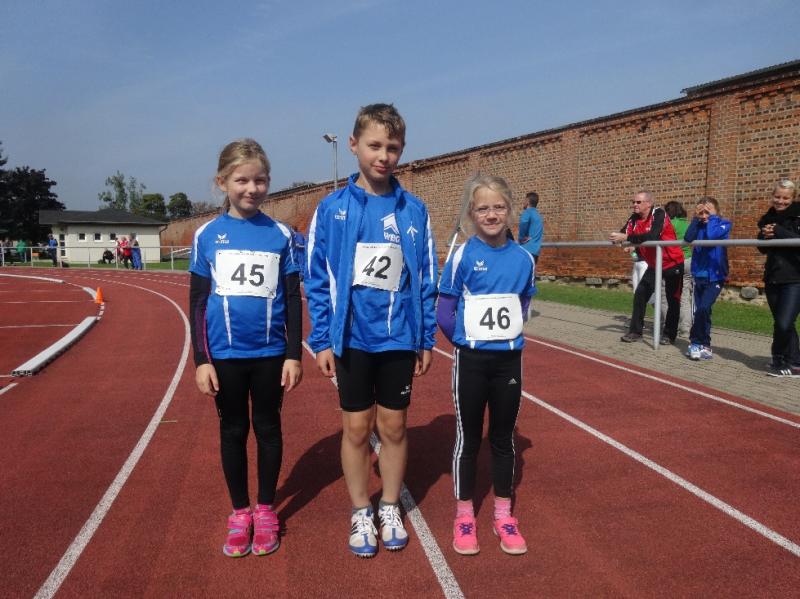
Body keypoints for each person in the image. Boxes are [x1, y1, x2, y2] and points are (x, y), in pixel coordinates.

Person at [305, 103, 438, 558]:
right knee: (357, 427)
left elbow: (425, 277)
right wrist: (320, 338)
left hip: (398, 335)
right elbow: (316, 277)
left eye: (393, 148)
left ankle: (389, 505)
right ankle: (361, 509)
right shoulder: (332, 209)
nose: (384, 156)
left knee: (394, 426)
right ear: (353, 145)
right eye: (375, 145)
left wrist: (425, 338)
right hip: (351, 337)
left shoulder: (414, 210)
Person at [189, 138, 302, 557]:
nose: (251, 188)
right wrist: (201, 360)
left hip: (270, 355)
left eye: (260, 180)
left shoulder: (281, 235)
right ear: (222, 183)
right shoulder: (207, 235)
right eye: (242, 180)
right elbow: (198, 301)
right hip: (225, 356)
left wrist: (293, 354)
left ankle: (266, 509)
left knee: (268, 429)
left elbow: (292, 298)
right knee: (233, 431)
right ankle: (240, 512)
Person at [437, 175, 535, 556]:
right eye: (482, 208)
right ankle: (464, 515)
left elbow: (522, 306)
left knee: (503, 438)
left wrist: (502, 338)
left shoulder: (524, 260)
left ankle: (503, 514)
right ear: (472, 213)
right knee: (469, 437)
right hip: (472, 361)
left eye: (498, 207)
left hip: (508, 362)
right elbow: (445, 312)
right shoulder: (462, 255)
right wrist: (467, 342)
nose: (491, 215)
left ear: (509, 209)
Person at [610, 191, 684, 344]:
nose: (634, 205)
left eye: (638, 202)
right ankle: (635, 332)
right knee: (640, 294)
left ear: (648, 203)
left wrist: (628, 238)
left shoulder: (659, 214)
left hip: (672, 262)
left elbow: (653, 236)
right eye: (633, 202)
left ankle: (669, 335)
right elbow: (622, 234)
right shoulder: (634, 218)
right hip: (654, 265)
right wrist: (619, 240)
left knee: (672, 299)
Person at [757, 179, 800, 377]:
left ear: (793, 198)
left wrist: (777, 231)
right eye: (777, 197)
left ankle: (788, 360)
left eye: (785, 198)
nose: (780, 201)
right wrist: (764, 236)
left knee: (784, 322)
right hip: (773, 276)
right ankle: (786, 360)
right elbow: (762, 249)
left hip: (795, 278)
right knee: (782, 323)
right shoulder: (768, 218)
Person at [683, 198, 731, 361]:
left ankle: (695, 342)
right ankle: (705, 344)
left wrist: (713, 218)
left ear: (717, 212)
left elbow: (712, 236)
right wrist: (695, 219)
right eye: (702, 212)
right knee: (703, 311)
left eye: (708, 212)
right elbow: (688, 238)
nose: (704, 215)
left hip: (715, 276)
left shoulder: (724, 224)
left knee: (703, 308)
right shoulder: (699, 225)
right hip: (699, 276)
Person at [664, 201, 693, 337]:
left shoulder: (670, 224)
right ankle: (686, 329)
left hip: (675, 262)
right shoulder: (687, 224)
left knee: (669, 297)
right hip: (689, 260)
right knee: (685, 296)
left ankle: (668, 326)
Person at [518, 191, 543, 264]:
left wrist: (521, 238)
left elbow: (523, 222)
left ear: (527, 201)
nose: (523, 202)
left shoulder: (527, 212)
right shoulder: (538, 216)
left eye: (524, 200)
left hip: (526, 250)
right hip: (535, 252)